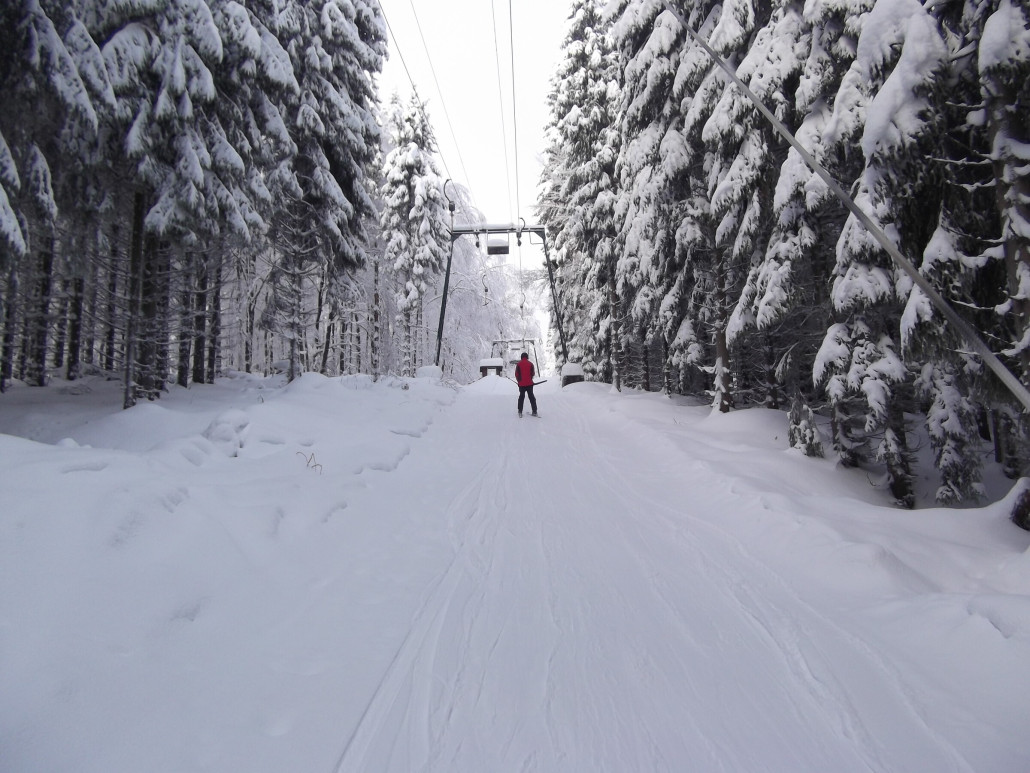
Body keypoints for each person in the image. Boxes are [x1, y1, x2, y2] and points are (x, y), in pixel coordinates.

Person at [514, 352, 538, 417]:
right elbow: (533, 373)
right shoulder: (531, 364)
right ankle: (534, 411)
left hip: (521, 385)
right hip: (530, 384)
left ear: (521, 357)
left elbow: (516, 374)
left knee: (521, 397)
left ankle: (520, 411)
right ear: (527, 357)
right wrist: (529, 379)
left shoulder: (518, 364)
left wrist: (519, 381)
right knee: (531, 397)